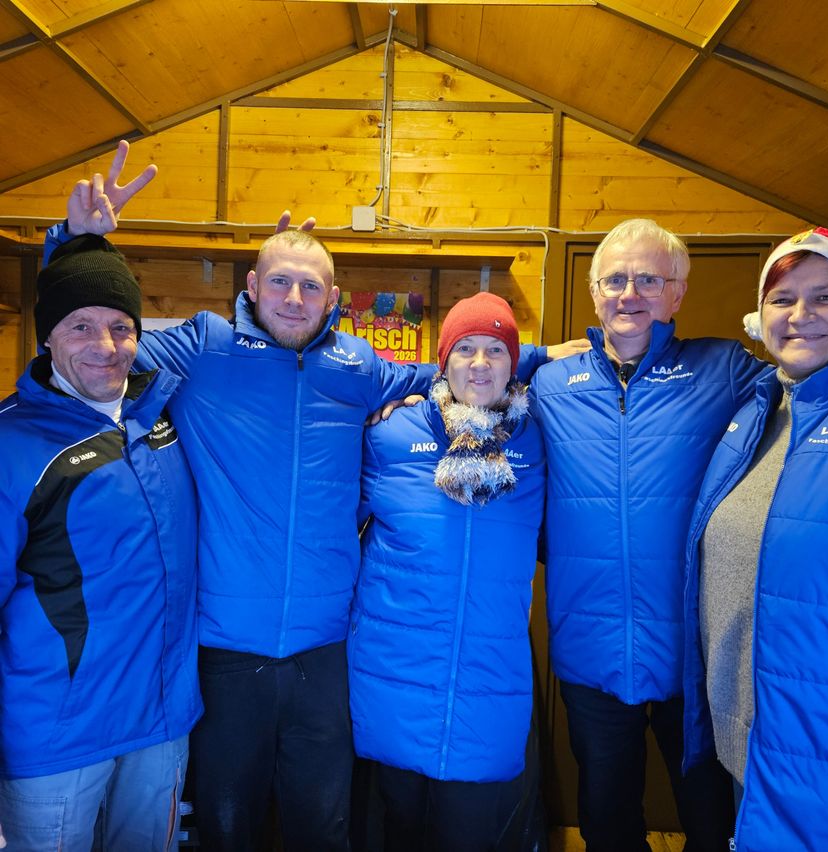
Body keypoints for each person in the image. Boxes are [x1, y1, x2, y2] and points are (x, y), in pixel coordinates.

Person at [44, 142, 560, 851]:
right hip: (225, 651)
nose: (294, 298)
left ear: (334, 298)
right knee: (229, 829)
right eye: (280, 282)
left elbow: (454, 363)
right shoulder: (205, 347)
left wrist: (561, 359)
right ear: (251, 286)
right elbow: (92, 347)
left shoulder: (355, 366)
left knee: (324, 829)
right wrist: (73, 247)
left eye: (311, 287)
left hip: (325, 651)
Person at [529, 218, 770, 851]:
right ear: (593, 289)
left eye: (648, 279)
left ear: (677, 293)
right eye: (615, 279)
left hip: (692, 652)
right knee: (607, 819)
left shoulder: (722, 369)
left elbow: (814, 385)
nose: (629, 293)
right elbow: (470, 379)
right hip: (589, 648)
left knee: (709, 817)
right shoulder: (553, 385)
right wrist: (397, 400)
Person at [0, 235, 200, 852]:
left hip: (161, 725)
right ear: (48, 337)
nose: (105, 346)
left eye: (120, 326)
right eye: (81, 325)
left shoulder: (160, 415)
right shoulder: (15, 444)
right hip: (58, 741)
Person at [348, 292, 545, 851]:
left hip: (488, 681)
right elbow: (337, 527)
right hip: (394, 679)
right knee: (397, 833)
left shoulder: (539, 436)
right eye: (464, 349)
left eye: (495, 350)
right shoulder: (388, 433)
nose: (479, 364)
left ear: (515, 363)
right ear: (442, 360)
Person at [682, 227, 828, 850]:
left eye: (826, 297)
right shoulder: (757, 411)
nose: (801, 316)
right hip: (745, 738)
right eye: (783, 299)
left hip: (825, 757)